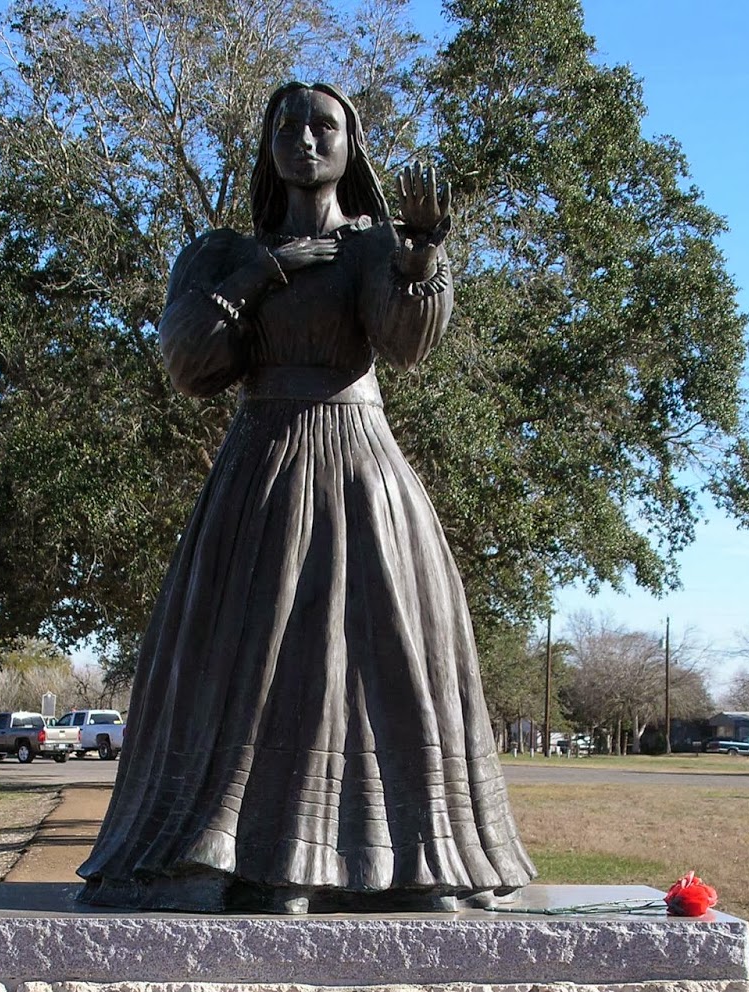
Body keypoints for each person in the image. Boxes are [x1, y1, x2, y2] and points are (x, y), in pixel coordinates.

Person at [78, 81, 535, 913]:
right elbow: (190, 368)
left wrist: (422, 256)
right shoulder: (219, 253)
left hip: (362, 474)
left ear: (349, 145)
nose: (307, 139)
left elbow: (404, 347)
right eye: (288, 125)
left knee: (388, 657)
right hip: (260, 475)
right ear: (267, 146)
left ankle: (420, 864)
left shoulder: (375, 248)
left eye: (325, 125)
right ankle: (248, 861)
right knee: (254, 664)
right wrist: (259, 272)